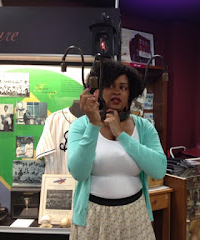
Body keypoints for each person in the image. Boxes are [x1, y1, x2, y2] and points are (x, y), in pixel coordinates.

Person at [67, 60, 167, 239]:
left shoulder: (144, 127)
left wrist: (122, 135)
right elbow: (79, 173)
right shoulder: (80, 126)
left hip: (134, 214)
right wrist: (93, 125)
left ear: (130, 93)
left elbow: (158, 170)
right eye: (110, 85)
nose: (116, 91)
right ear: (97, 90)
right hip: (93, 216)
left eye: (123, 87)